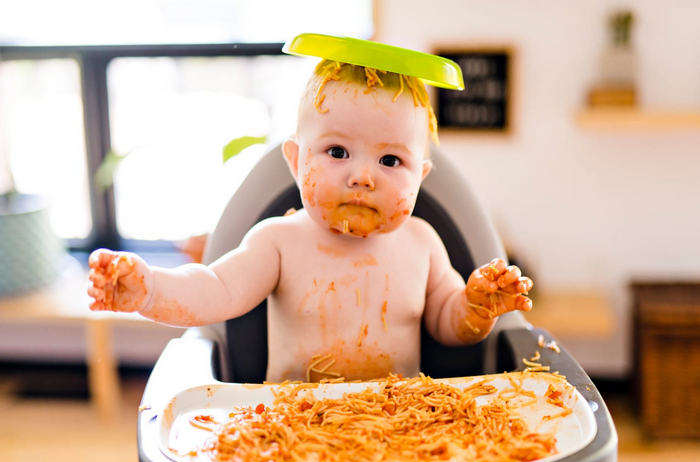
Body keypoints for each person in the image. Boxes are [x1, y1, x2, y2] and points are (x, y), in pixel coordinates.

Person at [87, 54, 533, 383]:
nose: (362, 177)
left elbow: (448, 323)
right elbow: (214, 292)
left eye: (391, 160)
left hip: (401, 426)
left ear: (421, 176)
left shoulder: (422, 245)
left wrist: (476, 307)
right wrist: (149, 291)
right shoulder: (279, 242)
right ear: (297, 161)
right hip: (291, 427)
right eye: (337, 152)